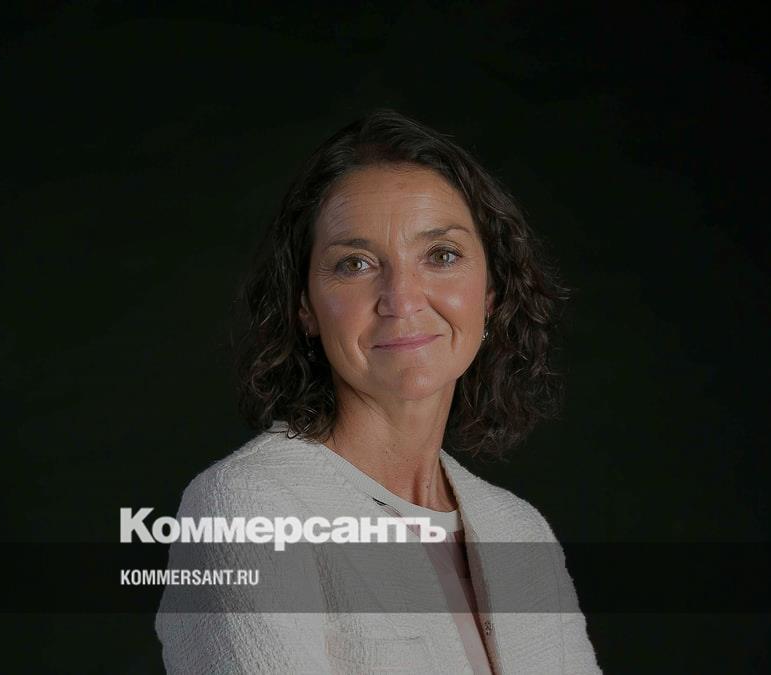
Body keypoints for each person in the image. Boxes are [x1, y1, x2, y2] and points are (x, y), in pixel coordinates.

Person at [155, 109, 600, 673]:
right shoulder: (245, 509)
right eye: (356, 263)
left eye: (442, 255)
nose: (402, 299)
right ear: (305, 307)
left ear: (491, 293)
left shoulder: (520, 531)